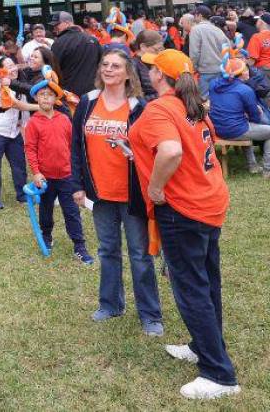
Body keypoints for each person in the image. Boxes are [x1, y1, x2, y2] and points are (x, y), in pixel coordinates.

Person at [128, 50, 239, 400]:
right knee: (207, 282)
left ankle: (218, 374)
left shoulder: (161, 108)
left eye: (151, 68)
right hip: (208, 203)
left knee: (191, 288)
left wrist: (155, 187)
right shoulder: (192, 106)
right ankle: (204, 345)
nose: (147, 72)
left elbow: (172, 152)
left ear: (160, 75)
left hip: (184, 209)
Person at [70, 50, 162, 335]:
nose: (109, 69)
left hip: (132, 193)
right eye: (105, 65)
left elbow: (151, 148)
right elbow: (75, 146)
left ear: (127, 73)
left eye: (116, 66)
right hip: (100, 193)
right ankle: (110, 304)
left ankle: (150, 315)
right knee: (107, 250)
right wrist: (77, 185)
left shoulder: (139, 106)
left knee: (139, 254)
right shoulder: (87, 102)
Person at [24, 86, 94, 264]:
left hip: (67, 176)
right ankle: (46, 236)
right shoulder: (33, 123)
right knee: (46, 211)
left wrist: (77, 173)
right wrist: (37, 172)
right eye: (42, 95)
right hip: (46, 179)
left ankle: (79, 246)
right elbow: (30, 149)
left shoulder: (64, 119)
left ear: (55, 99)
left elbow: (74, 146)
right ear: (36, 99)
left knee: (72, 212)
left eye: (49, 95)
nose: (46, 98)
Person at [0, 56, 37, 210]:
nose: (12, 69)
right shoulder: (0, 86)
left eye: (13, 65)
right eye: (8, 67)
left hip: (14, 133)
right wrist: (41, 107)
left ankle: (22, 195)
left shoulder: (20, 84)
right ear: (0, 71)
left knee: (19, 164)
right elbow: (17, 104)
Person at [207, 58, 270, 175]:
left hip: (217, 129)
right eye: (246, 69)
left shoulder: (213, 84)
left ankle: (253, 166)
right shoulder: (245, 90)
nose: (248, 71)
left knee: (245, 124)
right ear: (239, 74)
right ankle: (268, 170)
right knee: (258, 128)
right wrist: (258, 111)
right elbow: (255, 118)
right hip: (234, 130)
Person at [50, 11, 103, 98]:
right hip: (92, 93)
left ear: (67, 23)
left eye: (57, 25)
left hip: (69, 95)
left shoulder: (59, 43)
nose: (54, 28)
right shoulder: (92, 39)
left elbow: (53, 71)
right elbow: (101, 63)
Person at [186, 8, 227, 98]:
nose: (194, 17)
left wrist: (193, 68)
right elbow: (227, 49)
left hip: (206, 72)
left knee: (205, 101)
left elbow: (194, 53)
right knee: (219, 97)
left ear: (200, 15)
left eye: (195, 15)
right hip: (220, 70)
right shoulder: (217, 30)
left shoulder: (196, 29)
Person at [130, 30, 162, 100]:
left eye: (161, 49)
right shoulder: (133, 65)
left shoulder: (153, 61)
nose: (159, 53)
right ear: (143, 47)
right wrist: (161, 96)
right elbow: (136, 98)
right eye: (156, 50)